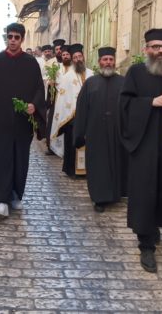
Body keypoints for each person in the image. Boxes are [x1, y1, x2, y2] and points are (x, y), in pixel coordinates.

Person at [118, 28, 162, 273]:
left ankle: (155, 225)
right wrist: (150, 102)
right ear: (146, 49)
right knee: (145, 191)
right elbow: (124, 105)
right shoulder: (135, 72)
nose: (160, 51)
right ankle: (145, 244)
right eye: (156, 46)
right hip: (144, 144)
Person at [0, 22, 46, 218]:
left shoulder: (31, 63)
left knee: (20, 160)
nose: (12, 40)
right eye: (9, 37)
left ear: (22, 39)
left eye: (16, 37)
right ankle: (1, 201)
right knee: (2, 160)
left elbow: (39, 89)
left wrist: (34, 105)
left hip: (22, 122)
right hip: (0, 121)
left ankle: (16, 195)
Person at [74, 47, 127, 212]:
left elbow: (130, 107)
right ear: (99, 62)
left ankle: (115, 194)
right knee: (99, 165)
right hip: (96, 132)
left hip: (118, 131)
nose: (108, 62)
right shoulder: (90, 83)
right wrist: (79, 135)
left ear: (114, 62)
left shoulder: (124, 82)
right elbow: (82, 110)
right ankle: (99, 198)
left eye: (111, 59)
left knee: (116, 162)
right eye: (105, 59)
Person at [50, 43, 93, 177]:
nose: (78, 59)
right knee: (72, 142)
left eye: (80, 56)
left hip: (89, 115)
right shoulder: (67, 77)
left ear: (83, 57)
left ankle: (88, 170)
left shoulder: (92, 74)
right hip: (72, 116)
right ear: (72, 60)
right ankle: (72, 170)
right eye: (75, 57)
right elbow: (63, 98)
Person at [48, 44, 73, 157]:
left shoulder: (75, 69)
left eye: (67, 54)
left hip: (71, 102)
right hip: (59, 102)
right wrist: (51, 83)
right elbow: (51, 84)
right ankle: (55, 148)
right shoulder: (57, 69)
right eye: (63, 55)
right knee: (57, 123)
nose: (65, 56)